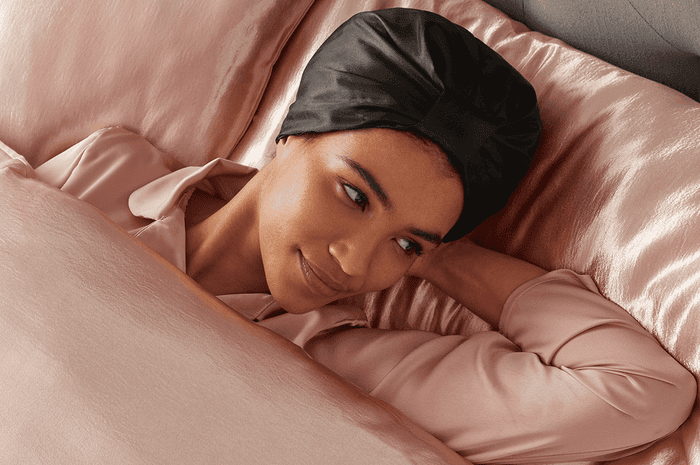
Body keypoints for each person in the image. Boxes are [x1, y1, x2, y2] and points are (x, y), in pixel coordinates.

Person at [24, 7, 694, 464]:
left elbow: (636, 387)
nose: (355, 259)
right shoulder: (106, 170)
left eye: (405, 241)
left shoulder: (353, 369)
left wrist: (442, 257)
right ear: (290, 134)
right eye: (353, 194)